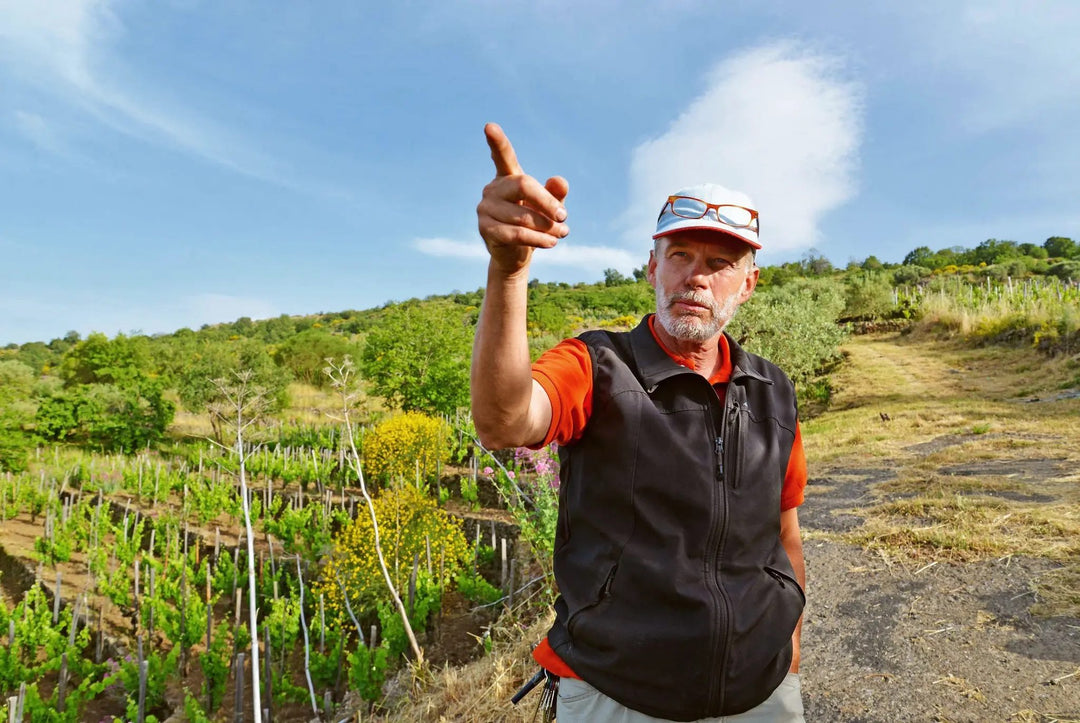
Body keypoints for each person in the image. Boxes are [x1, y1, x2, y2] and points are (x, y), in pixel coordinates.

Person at [472, 122, 807, 722]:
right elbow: (506, 420)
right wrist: (509, 272)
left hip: (762, 691)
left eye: (720, 262)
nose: (696, 276)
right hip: (616, 695)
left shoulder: (773, 391)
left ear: (748, 284)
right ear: (652, 268)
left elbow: (784, 533)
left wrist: (792, 644)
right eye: (679, 255)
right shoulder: (595, 366)